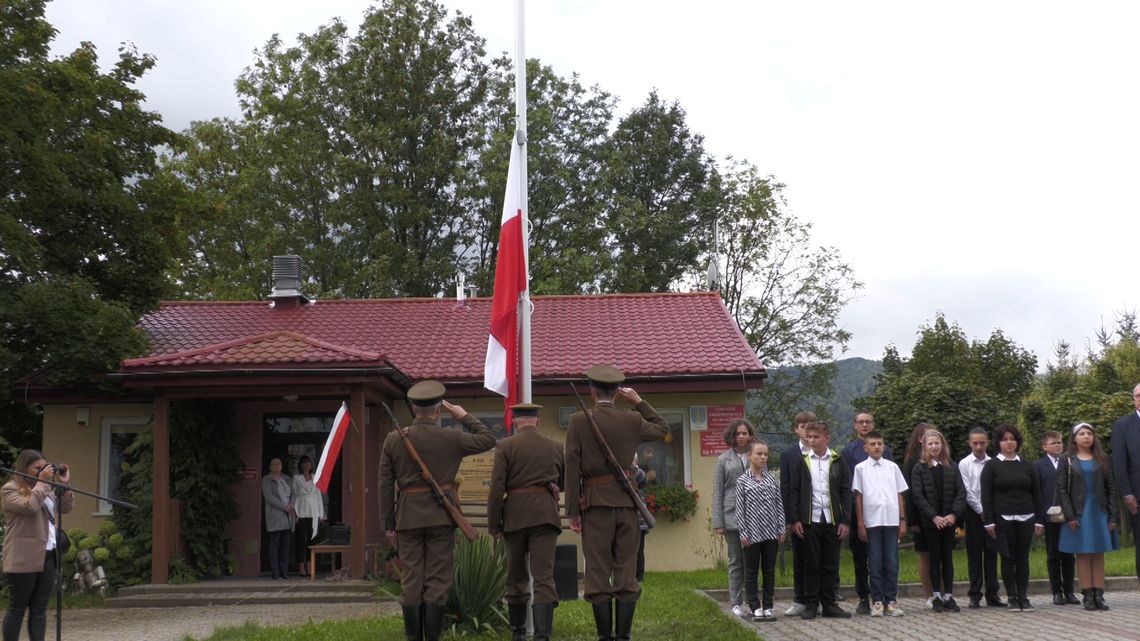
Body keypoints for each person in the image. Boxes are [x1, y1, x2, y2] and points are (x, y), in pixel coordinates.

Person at [380, 380, 496, 641]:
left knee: (411, 580)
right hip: (441, 517)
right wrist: (463, 415)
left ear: (412, 407)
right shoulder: (451, 436)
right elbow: (488, 439)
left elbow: (384, 487)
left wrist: (389, 524)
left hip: (407, 518)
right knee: (438, 581)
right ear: (438, 410)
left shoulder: (393, 440)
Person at [566, 365, 668, 641]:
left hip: (595, 506)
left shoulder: (578, 421)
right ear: (618, 393)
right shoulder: (632, 420)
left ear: (591, 391)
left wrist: (573, 512)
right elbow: (662, 429)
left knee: (597, 571)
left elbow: (572, 467)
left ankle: (605, 637)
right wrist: (639, 402)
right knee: (626, 570)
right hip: (627, 505)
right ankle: (623, 636)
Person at [487, 402, 565, 641]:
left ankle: (518, 633)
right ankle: (542, 636)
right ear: (537, 421)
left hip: (515, 516)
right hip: (545, 514)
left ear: (514, 422)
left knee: (516, 576)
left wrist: (494, 525)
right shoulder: (555, 446)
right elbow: (563, 483)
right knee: (543, 577)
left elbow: (496, 488)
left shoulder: (505, 446)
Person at [2, 449, 74, 641]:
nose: (42, 470)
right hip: (23, 556)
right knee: (17, 608)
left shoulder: (47, 489)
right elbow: (29, 506)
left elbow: (65, 508)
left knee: (39, 609)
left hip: (48, 555)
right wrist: (42, 482)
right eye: (37, 468)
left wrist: (64, 484)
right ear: (24, 468)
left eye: (44, 466)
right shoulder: (10, 489)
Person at [787, 421, 852, 620]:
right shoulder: (802, 460)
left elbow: (845, 492)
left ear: (827, 438)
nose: (812, 440)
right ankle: (811, 603)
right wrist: (796, 518)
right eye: (809, 437)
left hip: (832, 520)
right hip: (810, 519)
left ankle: (830, 603)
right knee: (811, 563)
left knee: (830, 563)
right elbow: (794, 490)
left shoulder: (838, 460)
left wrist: (845, 520)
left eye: (816, 437)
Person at [981, 424, 1045, 612]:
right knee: (1008, 558)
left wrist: (1039, 520)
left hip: (1026, 516)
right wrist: (989, 521)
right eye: (1005, 439)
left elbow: (1037, 494)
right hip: (1002, 517)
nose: (1009, 442)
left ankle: (1024, 596)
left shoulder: (1027, 465)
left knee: (1022, 558)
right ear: (999, 443)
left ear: (1017, 442)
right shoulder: (991, 465)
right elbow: (986, 496)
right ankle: (1012, 597)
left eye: (1012, 439)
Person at [1058, 422, 1119, 611]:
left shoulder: (1103, 459)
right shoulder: (1066, 460)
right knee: (1083, 554)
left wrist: (1113, 517)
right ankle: (1087, 595)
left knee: (1098, 554)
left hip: (1099, 511)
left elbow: (1111, 489)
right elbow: (1061, 490)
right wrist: (1069, 517)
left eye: (1089, 433)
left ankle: (1099, 594)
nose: (1086, 436)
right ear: (1074, 438)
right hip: (1078, 512)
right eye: (1082, 433)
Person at [851, 430, 908, 618]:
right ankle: (876, 600)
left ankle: (891, 600)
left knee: (891, 561)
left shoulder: (892, 467)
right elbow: (858, 497)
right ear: (865, 447)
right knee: (874, 562)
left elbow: (900, 494)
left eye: (880, 443)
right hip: (872, 522)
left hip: (891, 520)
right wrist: (860, 523)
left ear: (884, 446)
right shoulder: (860, 469)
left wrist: (902, 520)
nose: (877, 447)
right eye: (873, 444)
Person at [840, 412, 892, 615]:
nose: (864, 425)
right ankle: (863, 597)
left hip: (882, 512)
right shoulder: (848, 451)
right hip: (858, 511)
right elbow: (847, 483)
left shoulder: (886, 451)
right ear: (855, 426)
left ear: (873, 424)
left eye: (868, 421)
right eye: (860, 422)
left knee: (884, 558)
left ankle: (885, 597)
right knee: (861, 558)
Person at [909, 428, 966, 612]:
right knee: (934, 558)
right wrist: (933, 516)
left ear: (943, 445)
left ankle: (949, 595)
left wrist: (953, 515)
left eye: (937, 443)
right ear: (924, 446)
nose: (934, 447)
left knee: (947, 558)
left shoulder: (952, 466)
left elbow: (961, 492)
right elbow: (918, 496)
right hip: (931, 522)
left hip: (949, 520)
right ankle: (936, 596)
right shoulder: (919, 468)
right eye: (930, 444)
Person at [735, 438, 785, 622]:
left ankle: (768, 606)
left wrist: (781, 527)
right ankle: (754, 606)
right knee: (751, 571)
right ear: (750, 455)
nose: (763, 457)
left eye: (765, 454)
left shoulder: (772, 478)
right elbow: (740, 509)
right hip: (752, 534)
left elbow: (779, 504)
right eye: (759, 454)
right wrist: (743, 532)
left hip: (771, 532)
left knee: (769, 570)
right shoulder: (742, 481)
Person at [711, 418, 755, 618]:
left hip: (755, 516)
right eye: (738, 434)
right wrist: (718, 522)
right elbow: (718, 491)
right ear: (732, 436)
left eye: (745, 433)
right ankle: (736, 602)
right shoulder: (723, 459)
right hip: (732, 516)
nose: (741, 437)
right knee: (736, 561)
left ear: (750, 435)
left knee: (752, 562)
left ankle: (753, 600)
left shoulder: (757, 454)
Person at [959, 427, 1005, 608]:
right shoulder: (964, 464)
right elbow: (967, 490)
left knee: (992, 554)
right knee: (974, 555)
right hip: (973, 513)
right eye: (975, 443)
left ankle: (993, 594)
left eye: (982, 442)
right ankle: (975, 594)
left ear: (987, 443)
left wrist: (989, 511)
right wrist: (980, 510)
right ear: (969, 443)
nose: (979, 446)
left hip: (992, 512)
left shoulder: (993, 462)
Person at [1033, 431, 1079, 606]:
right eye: (1053, 443)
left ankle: (1069, 591)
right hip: (1049, 515)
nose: (1058, 445)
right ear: (1045, 446)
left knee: (1069, 554)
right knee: (1053, 554)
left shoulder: (1070, 462)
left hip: (1068, 515)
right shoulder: (1037, 466)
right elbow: (1036, 493)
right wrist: (1038, 519)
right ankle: (1056, 592)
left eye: (1060, 442)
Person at [779, 410, 816, 617]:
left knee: (820, 559)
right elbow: (786, 487)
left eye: (810, 426)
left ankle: (820, 598)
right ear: (796, 429)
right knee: (800, 559)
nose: (806, 430)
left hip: (820, 514)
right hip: (798, 515)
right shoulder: (788, 455)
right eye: (803, 427)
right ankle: (800, 599)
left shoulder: (824, 452)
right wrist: (790, 518)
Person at [901, 422, 935, 608]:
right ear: (920, 439)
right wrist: (911, 519)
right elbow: (909, 493)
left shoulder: (942, 460)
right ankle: (929, 595)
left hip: (940, 518)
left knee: (940, 557)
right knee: (925, 555)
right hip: (920, 518)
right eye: (926, 436)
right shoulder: (913, 462)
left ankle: (943, 593)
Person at [1110, 382, 1140, 584]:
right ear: (1134, 400)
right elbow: (1119, 464)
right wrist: (1127, 493)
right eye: (1138, 396)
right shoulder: (1123, 426)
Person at [292, 455, 325, 578]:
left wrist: (321, 514)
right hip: (300, 511)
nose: (307, 465)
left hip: (313, 511)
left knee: (312, 540)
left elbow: (318, 496)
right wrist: (295, 513)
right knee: (300, 539)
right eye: (305, 463)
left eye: (309, 463)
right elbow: (294, 495)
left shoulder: (315, 477)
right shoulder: (296, 478)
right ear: (301, 465)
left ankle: (310, 565)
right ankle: (301, 565)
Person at [261, 457, 293, 580]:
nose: (277, 466)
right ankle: (275, 572)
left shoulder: (286, 479)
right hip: (275, 515)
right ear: (270, 467)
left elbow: (293, 494)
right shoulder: (267, 480)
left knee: (285, 545)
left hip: (288, 515)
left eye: (279, 463)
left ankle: (284, 572)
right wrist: (283, 507)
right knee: (275, 544)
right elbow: (269, 497)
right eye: (274, 464)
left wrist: (291, 505)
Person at [630, 455, 649, 583]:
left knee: (639, 550)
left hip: (639, 520)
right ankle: (630, 575)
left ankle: (639, 576)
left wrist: (630, 465)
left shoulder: (638, 473)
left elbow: (640, 477)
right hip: (630, 519)